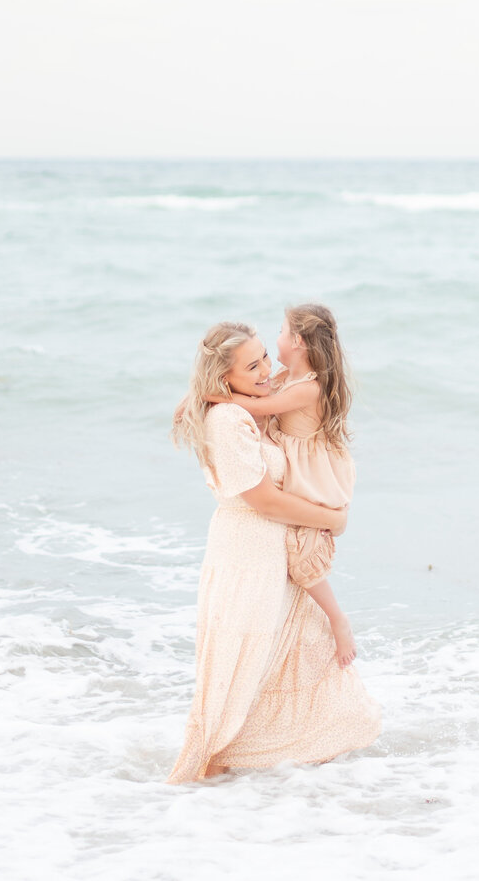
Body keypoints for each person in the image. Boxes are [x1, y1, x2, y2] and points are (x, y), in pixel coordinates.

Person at [167, 321, 381, 785]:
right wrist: (333, 520)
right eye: (252, 366)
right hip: (246, 557)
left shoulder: (257, 405)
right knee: (236, 680)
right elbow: (263, 500)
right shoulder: (228, 420)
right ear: (225, 377)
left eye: (265, 355)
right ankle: (194, 794)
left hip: (273, 554)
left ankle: (277, 792)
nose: (266, 369)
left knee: (303, 659)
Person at [208, 304, 358, 668]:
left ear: (299, 342)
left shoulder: (308, 388)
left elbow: (261, 407)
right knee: (299, 544)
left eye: (280, 331)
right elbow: (260, 396)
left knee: (303, 553)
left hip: (312, 472)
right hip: (299, 465)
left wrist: (209, 394)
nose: (276, 339)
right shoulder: (287, 377)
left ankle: (337, 618)